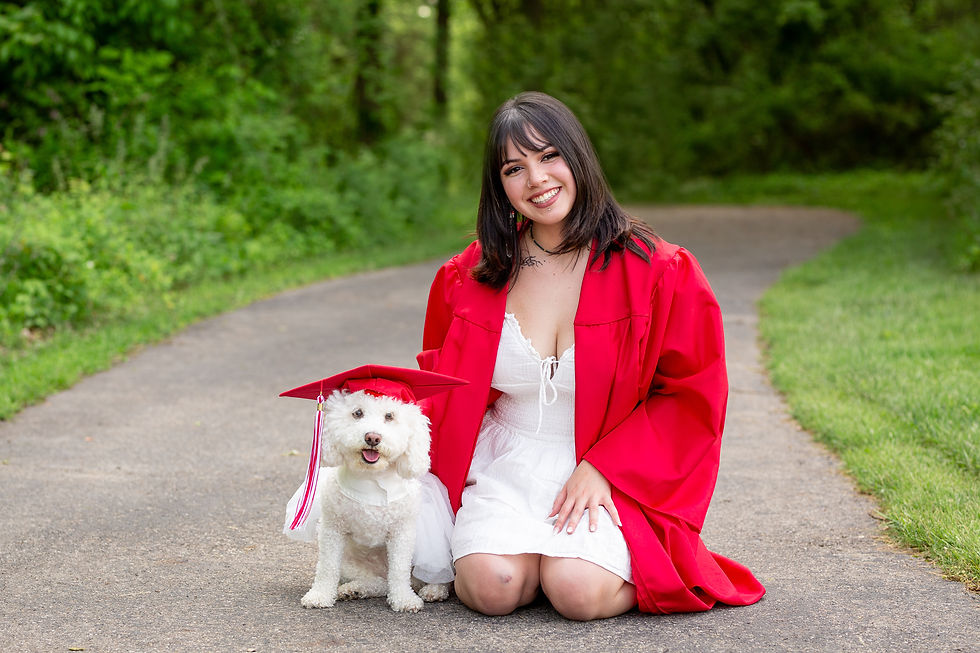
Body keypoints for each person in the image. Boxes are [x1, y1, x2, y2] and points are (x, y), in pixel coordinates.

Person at [416, 91, 765, 620]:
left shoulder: (658, 271)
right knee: (493, 587)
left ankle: (603, 571)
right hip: (505, 461)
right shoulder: (470, 276)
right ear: (499, 185)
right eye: (515, 167)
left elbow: (692, 393)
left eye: (549, 155)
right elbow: (440, 389)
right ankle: (528, 563)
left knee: (577, 591)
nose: (537, 179)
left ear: (578, 157)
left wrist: (606, 467)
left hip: (606, 467)